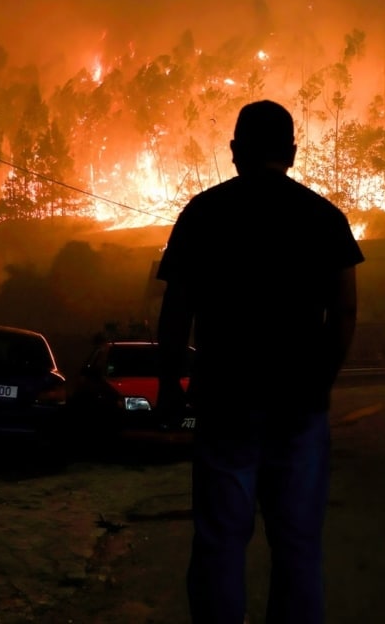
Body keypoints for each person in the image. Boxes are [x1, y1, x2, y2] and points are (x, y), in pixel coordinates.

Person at [155, 100, 364, 624]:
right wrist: (322, 382)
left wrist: (170, 385)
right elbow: (344, 311)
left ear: (234, 152)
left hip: (226, 400)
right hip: (298, 406)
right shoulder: (324, 218)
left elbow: (176, 310)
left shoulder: (203, 213)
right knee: (297, 548)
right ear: (292, 152)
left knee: (220, 543)